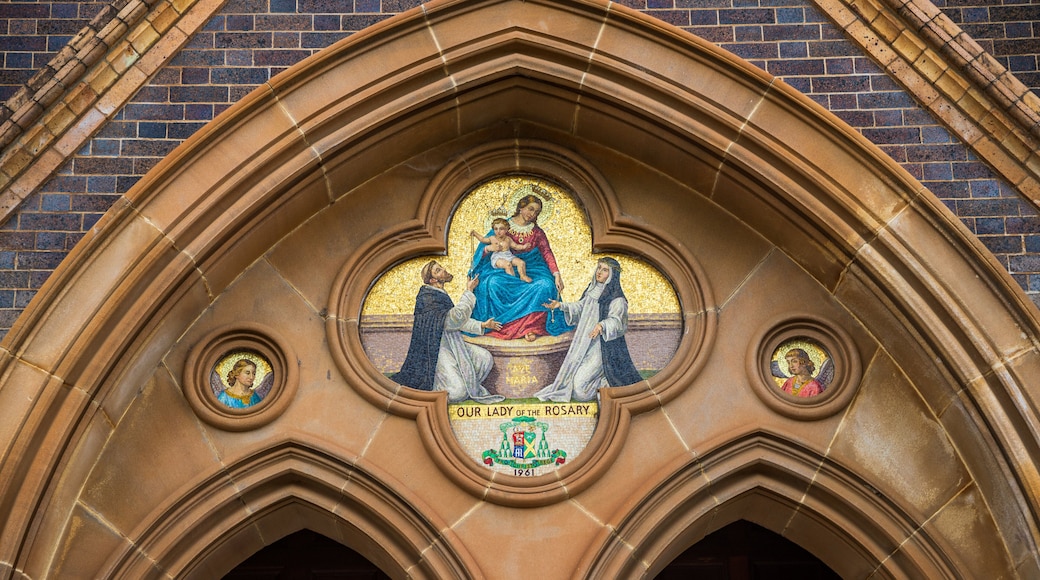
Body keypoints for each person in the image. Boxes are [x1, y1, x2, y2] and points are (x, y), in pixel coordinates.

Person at [392, 260, 505, 404]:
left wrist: (482, 325)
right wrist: (469, 291)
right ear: (433, 280)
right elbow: (454, 319)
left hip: (452, 341)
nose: (443, 270)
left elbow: (454, 321)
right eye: (438, 270)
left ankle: (467, 384)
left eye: (441, 267)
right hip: (436, 348)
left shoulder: (439, 294)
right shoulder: (428, 297)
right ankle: (444, 386)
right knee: (457, 393)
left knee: (484, 358)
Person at [534, 257, 643, 403]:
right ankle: (603, 378)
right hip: (583, 343)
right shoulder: (592, 290)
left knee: (580, 392)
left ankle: (608, 381)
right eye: (599, 268)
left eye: (605, 270)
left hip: (602, 348)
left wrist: (602, 325)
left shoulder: (617, 298)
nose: (599, 272)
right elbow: (580, 308)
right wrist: (560, 306)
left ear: (612, 275)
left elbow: (618, 323)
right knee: (570, 380)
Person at [469, 192, 571, 341]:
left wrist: (556, 275)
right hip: (503, 269)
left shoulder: (537, 232)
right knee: (492, 283)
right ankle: (503, 325)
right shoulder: (502, 226)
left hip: (532, 270)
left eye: (536, 212)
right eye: (530, 209)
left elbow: (547, 253)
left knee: (545, 285)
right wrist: (488, 249)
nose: (532, 214)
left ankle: (531, 327)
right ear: (521, 207)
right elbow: (483, 248)